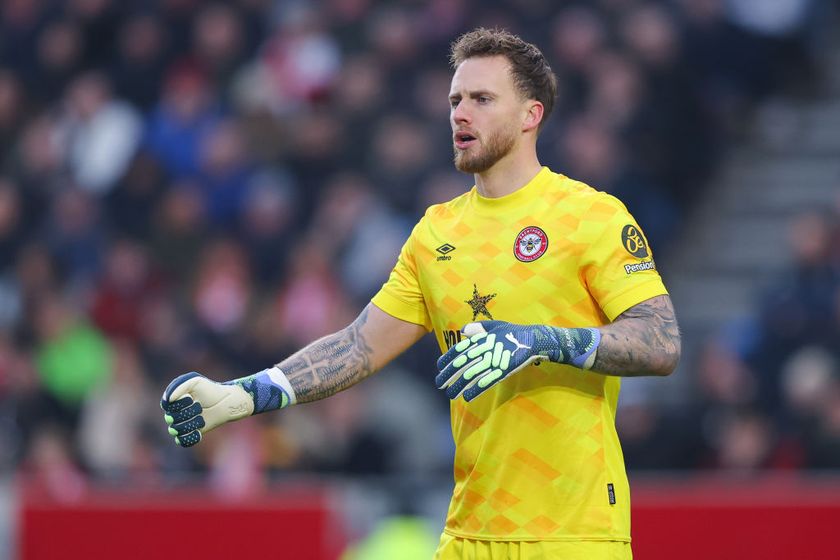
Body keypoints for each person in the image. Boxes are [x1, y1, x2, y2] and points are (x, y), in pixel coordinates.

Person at [161, 28, 680, 560]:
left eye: (481, 99)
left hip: (575, 534)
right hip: (468, 536)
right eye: (455, 100)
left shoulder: (591, 216)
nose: (460, 113)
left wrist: (544, 340)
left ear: (531, 115)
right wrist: (243, 394)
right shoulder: (436, 234)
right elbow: (360, 345)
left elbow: (661, 343)